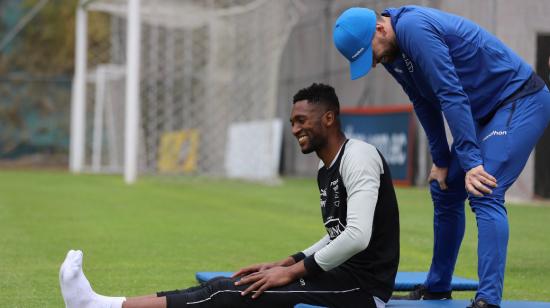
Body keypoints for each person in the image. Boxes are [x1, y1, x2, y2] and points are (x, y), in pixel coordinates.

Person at [59, 83, 400, 308]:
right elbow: (336, 235)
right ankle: (106, 304)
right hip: (341, 274)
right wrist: (289, 260)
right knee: (227, 283)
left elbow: (356, 236)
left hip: (364, 290)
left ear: (328, 118)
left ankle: (97, 305)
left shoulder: (360, 157)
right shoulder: (326, 168)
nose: (294, 128)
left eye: (301, 120)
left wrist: (293, 272)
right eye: (292, 121)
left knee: (231, 294)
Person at [332, 5, 550, 308]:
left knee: (484, 189)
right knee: (444, 187)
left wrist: (472, 163)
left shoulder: (413, 29)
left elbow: (450, 92)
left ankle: (488, 300)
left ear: (380, 30)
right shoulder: (391, 53)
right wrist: (442, 161)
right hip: (482, 115)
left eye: (370, 55)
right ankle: (438, 287)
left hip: (519, 101)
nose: (372, 64)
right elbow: (423, 102)